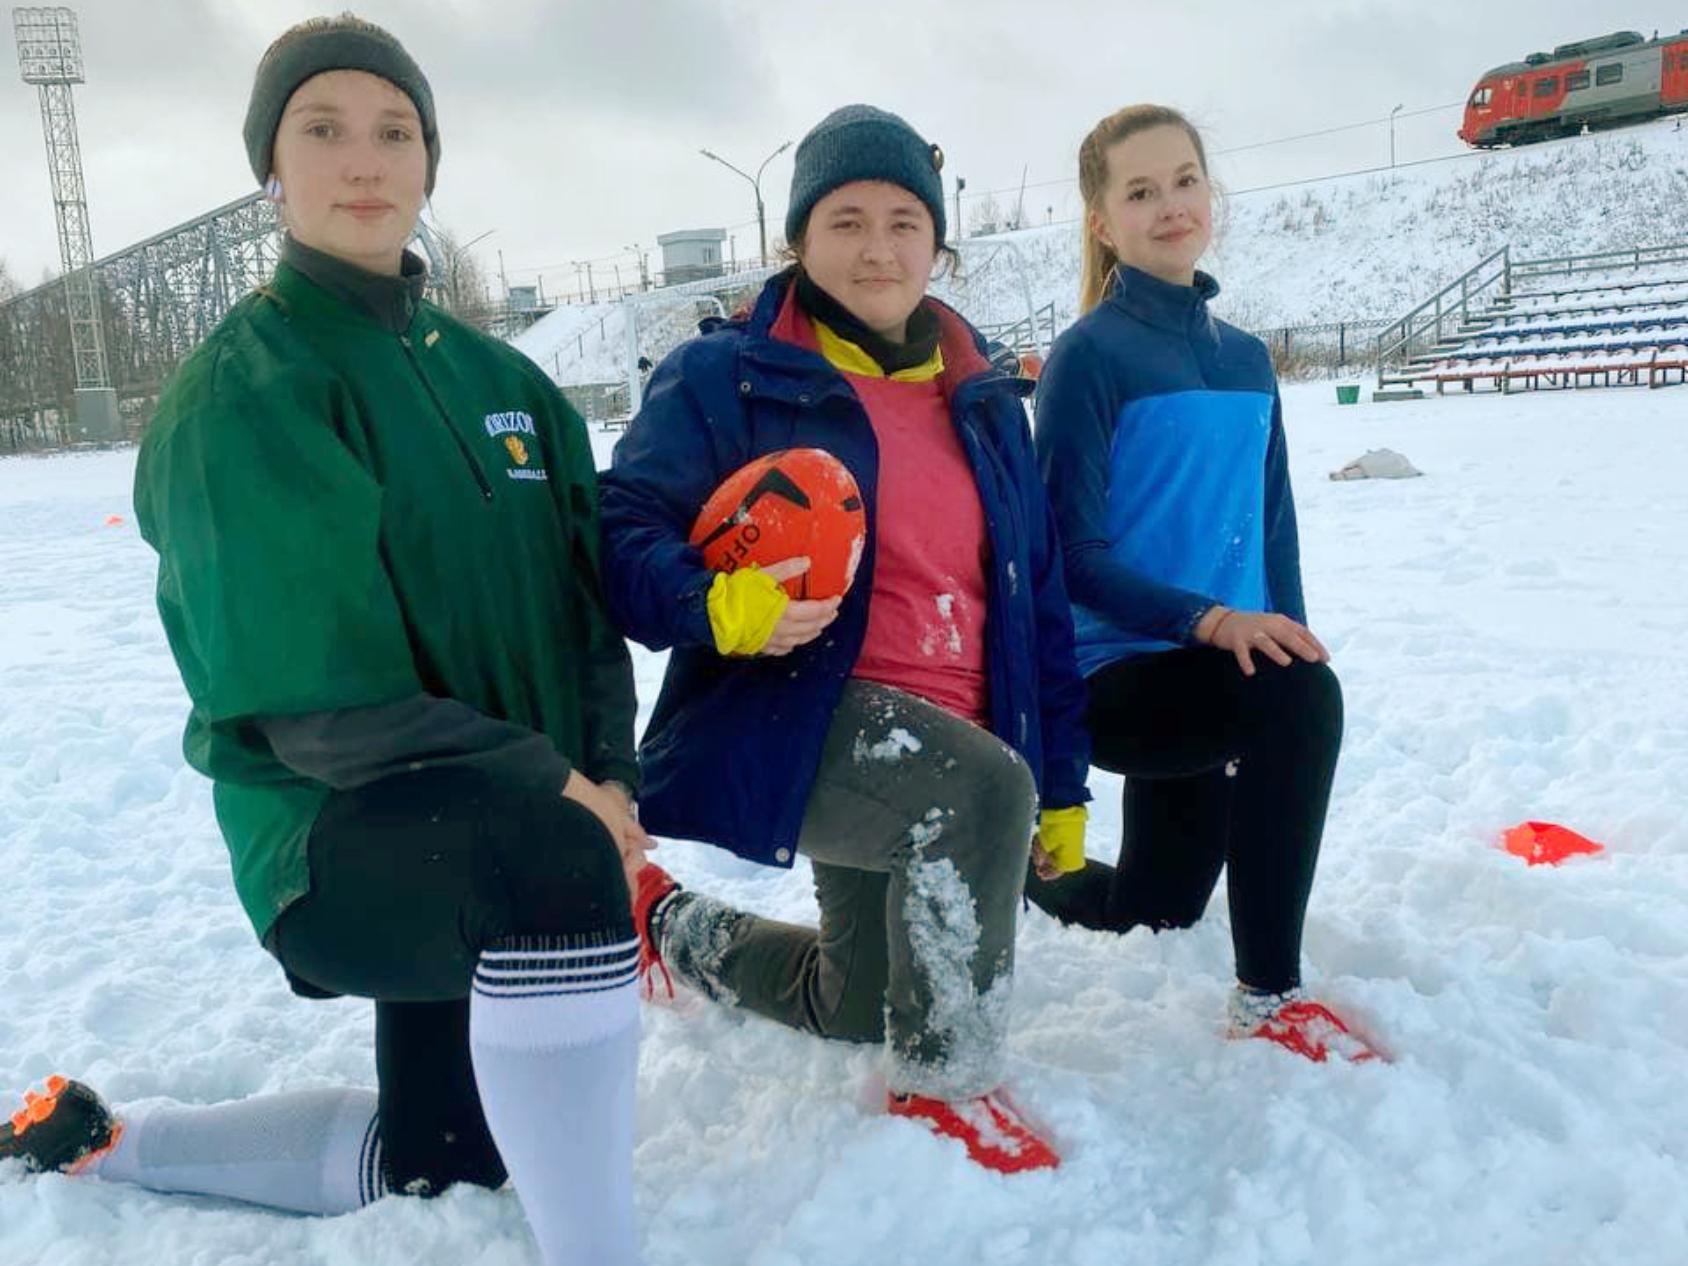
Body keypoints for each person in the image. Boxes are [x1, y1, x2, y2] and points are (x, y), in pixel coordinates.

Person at [1, 17, 648, 1263]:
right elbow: (321, 712)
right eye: (324, 129)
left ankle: (113, 1143)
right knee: (553, 864)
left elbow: (582, 616)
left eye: (394, 132)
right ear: (272, 172)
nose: (365, 160)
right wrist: (569, 797)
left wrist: (610, 771)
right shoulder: (249, 390)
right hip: (338, 835)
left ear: (428, 165)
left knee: (440, 1161)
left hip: (498, 823)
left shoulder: (498, 380)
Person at [599, 105, 1093, 1172]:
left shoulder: (982, 398)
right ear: (798, 240)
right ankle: (948, 1093)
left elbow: (1036, 604)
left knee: (857, 998)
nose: (878, 247)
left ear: (937, 241)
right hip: (803, 718)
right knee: (975, 794)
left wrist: (1060, 780)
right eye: (847, 220)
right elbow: (617, 531)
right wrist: (716, 605)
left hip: (962, 738)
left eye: (904, 221)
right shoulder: (726, 378)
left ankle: (668, 925)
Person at [1025, 104, 1376, 1064]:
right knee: (1300, 705)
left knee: (1156, 910)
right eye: (1140, 191)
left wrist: (1282, 634)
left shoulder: (1248, 360)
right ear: (1104, 221)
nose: (1170, 205)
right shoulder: (1087, 358)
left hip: (1217, 663)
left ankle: (1026, 873)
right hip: (1118, 678)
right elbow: (1072, 556)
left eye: (1185, 180)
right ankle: (1269, 999)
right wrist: (1214, 623)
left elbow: (1272, 529)